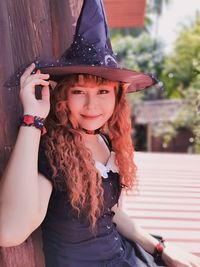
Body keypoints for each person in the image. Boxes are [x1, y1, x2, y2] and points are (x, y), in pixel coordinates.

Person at [1, 1, 200, 266]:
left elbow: (112, 212)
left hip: (124, 257)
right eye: (79, 92)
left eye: (103, 92)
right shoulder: (51, 150)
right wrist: (32, 119)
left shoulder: (103, 140)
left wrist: (160, 248)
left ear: (118, 97)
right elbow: (9, 231)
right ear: (62, 96)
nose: (92, 106)